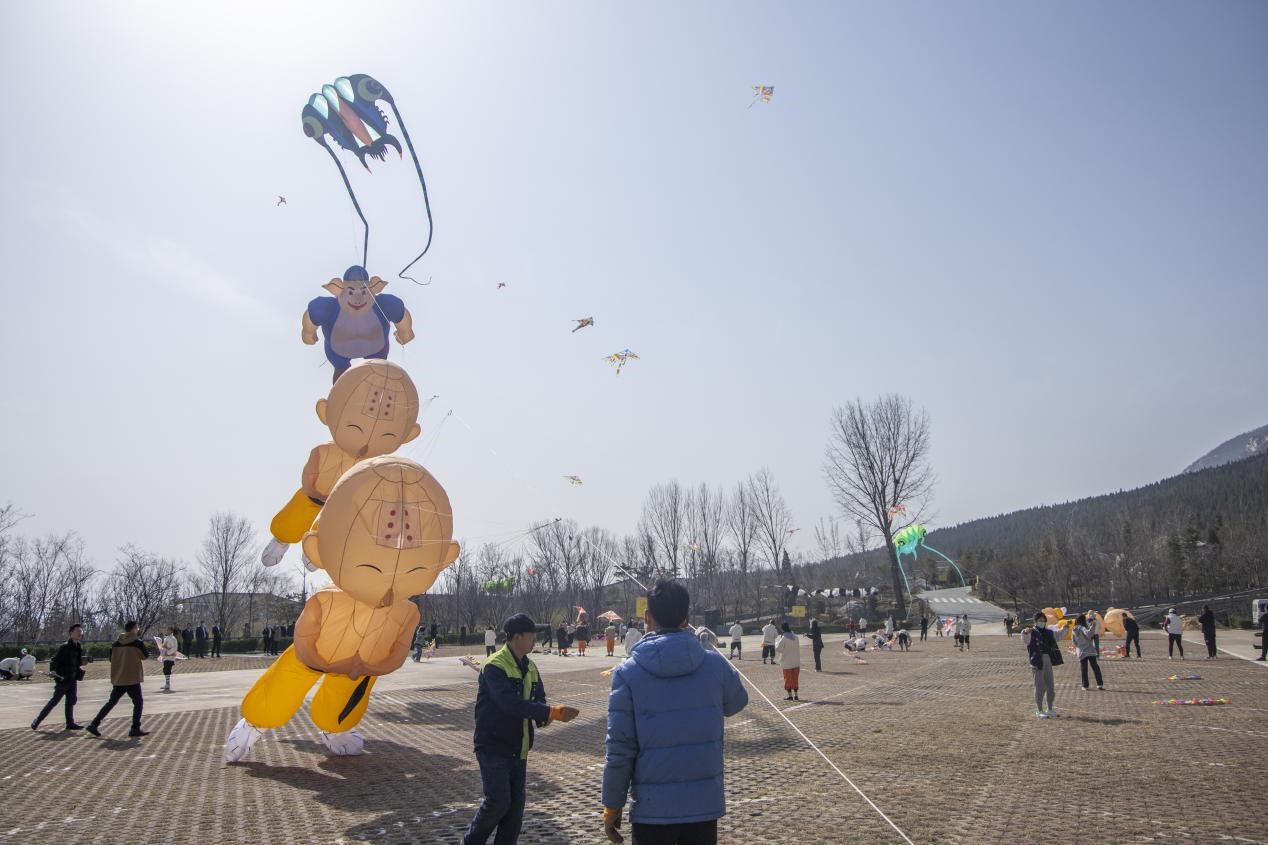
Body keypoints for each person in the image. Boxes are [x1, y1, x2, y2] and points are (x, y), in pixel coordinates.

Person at [602, 580, 748, 845]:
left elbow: (619, 748)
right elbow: (737, 702)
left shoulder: (627, 672)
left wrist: (612, 804)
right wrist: (710, 653)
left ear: (647, 617)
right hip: (702, 806)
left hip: (651, 811)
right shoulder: (713, 663)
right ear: (687, 618)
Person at [462, 613, 578, 845]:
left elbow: (539, 699)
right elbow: (509, 704)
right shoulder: (494, 666)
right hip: (493, 746)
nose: (535, 639)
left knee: (515, 810)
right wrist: (549, 712)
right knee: (498, 802)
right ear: (517, 637)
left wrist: (547, 717)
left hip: (519, 747)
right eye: (531, 635)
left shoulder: (531, 667)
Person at [87, 621, 150, 738]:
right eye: (137, 627)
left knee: (111, 703)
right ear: (134, 629)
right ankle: (135, 728)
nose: (138, 629)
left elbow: (111, 659)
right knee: (138, 703)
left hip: (119, 677)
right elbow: (145, 656)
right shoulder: (137, 642)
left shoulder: (116, 643)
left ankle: (94, 724)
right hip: (132, 677)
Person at [32, 623, 85, 731]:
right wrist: (53, 672)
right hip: (63, 679)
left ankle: (70, 723)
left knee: (71, 701)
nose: (80, 633)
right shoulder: (64, 647)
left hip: (72, 679)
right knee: (54, 701)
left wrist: (83, 662)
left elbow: (78, 663)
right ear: (71, 633)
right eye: (78, 631)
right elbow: (54, 661)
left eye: (81, 631)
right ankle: (37, 721)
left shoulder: (78, 646)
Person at [1023, 611, 1058, 719]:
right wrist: (1025, 632)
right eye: (1040, 620)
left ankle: (1050, 708)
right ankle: (1039, 710)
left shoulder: (1049, 632)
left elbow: (1058, 634)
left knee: (1050, 686)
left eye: (1043, 620)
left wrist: (1066, 628)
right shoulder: (1031, 631)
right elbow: (1025, 639)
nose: (1042, 622)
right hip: (1037, 661)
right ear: (1035, 621)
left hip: (1048, 660)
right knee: (1040, 687)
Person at [1072, 613, 1104, 691]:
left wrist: (1078, 646)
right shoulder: (1083, 628)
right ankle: (1099, 684)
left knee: (1084, 669)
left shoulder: (1074, 629)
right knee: (1095, 667)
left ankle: (1085, 685)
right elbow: (1089, 634)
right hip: (1090, 650)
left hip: (1081, 651)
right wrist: (1093, 626)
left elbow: (1074, 641)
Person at [775, 623, 801, 701]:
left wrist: (776, 643)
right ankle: (796, 695)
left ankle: (790, 696)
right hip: (796, 662)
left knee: (787, 679)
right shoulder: (796, 637)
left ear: (782, 629)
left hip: (787, 662)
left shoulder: (784, 638)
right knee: (795, 679)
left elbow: (779, 649)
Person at [160, 626, 180, 692]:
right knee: (165, 670)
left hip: (170, 657)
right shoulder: (167, 638)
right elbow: (164, 646)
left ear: (171, 631)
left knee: (167, 669)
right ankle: (167, 683)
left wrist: (168, 653)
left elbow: (174, 648)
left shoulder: (173, 638)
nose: (166, 631)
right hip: (166, 657)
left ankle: (167, 684)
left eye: (168, 630)